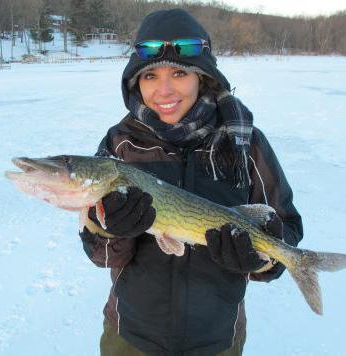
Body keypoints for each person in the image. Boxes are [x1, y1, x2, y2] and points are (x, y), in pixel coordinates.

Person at [79, 8, 303, 355]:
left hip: (217, 339)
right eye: (150, 76)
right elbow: (102, 255)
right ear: (135, 82)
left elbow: (285, 225)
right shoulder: (120, 144)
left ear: (204, 76)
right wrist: (110, 229)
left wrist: (260, 259)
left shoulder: (245, 142)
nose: (164, 90)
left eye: (180, 73)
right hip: (131, 336)